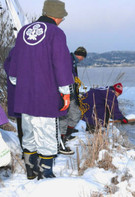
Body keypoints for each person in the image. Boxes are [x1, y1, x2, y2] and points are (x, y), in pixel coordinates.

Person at [8, 0, 73, 180]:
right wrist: (65, 92)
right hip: (46, 94)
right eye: (62, 17)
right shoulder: (56, 33)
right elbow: (61, 64)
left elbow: (14, 59)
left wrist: (15, 79)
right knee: (46, 133)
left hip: (24, 93)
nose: (62, 20)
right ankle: (45, 173)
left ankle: (30, 170)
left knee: (28, 132)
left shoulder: (23, 31)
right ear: (57, 16)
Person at [59, 47, 87, 155]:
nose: (82, 60)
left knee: (74, 114)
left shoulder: (73, 61)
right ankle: (62, 138)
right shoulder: (69, 60)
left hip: (71, 93)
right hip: (66, 93)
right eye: (82, 57)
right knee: (66, 116)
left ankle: (66, 134)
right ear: (80, 55)